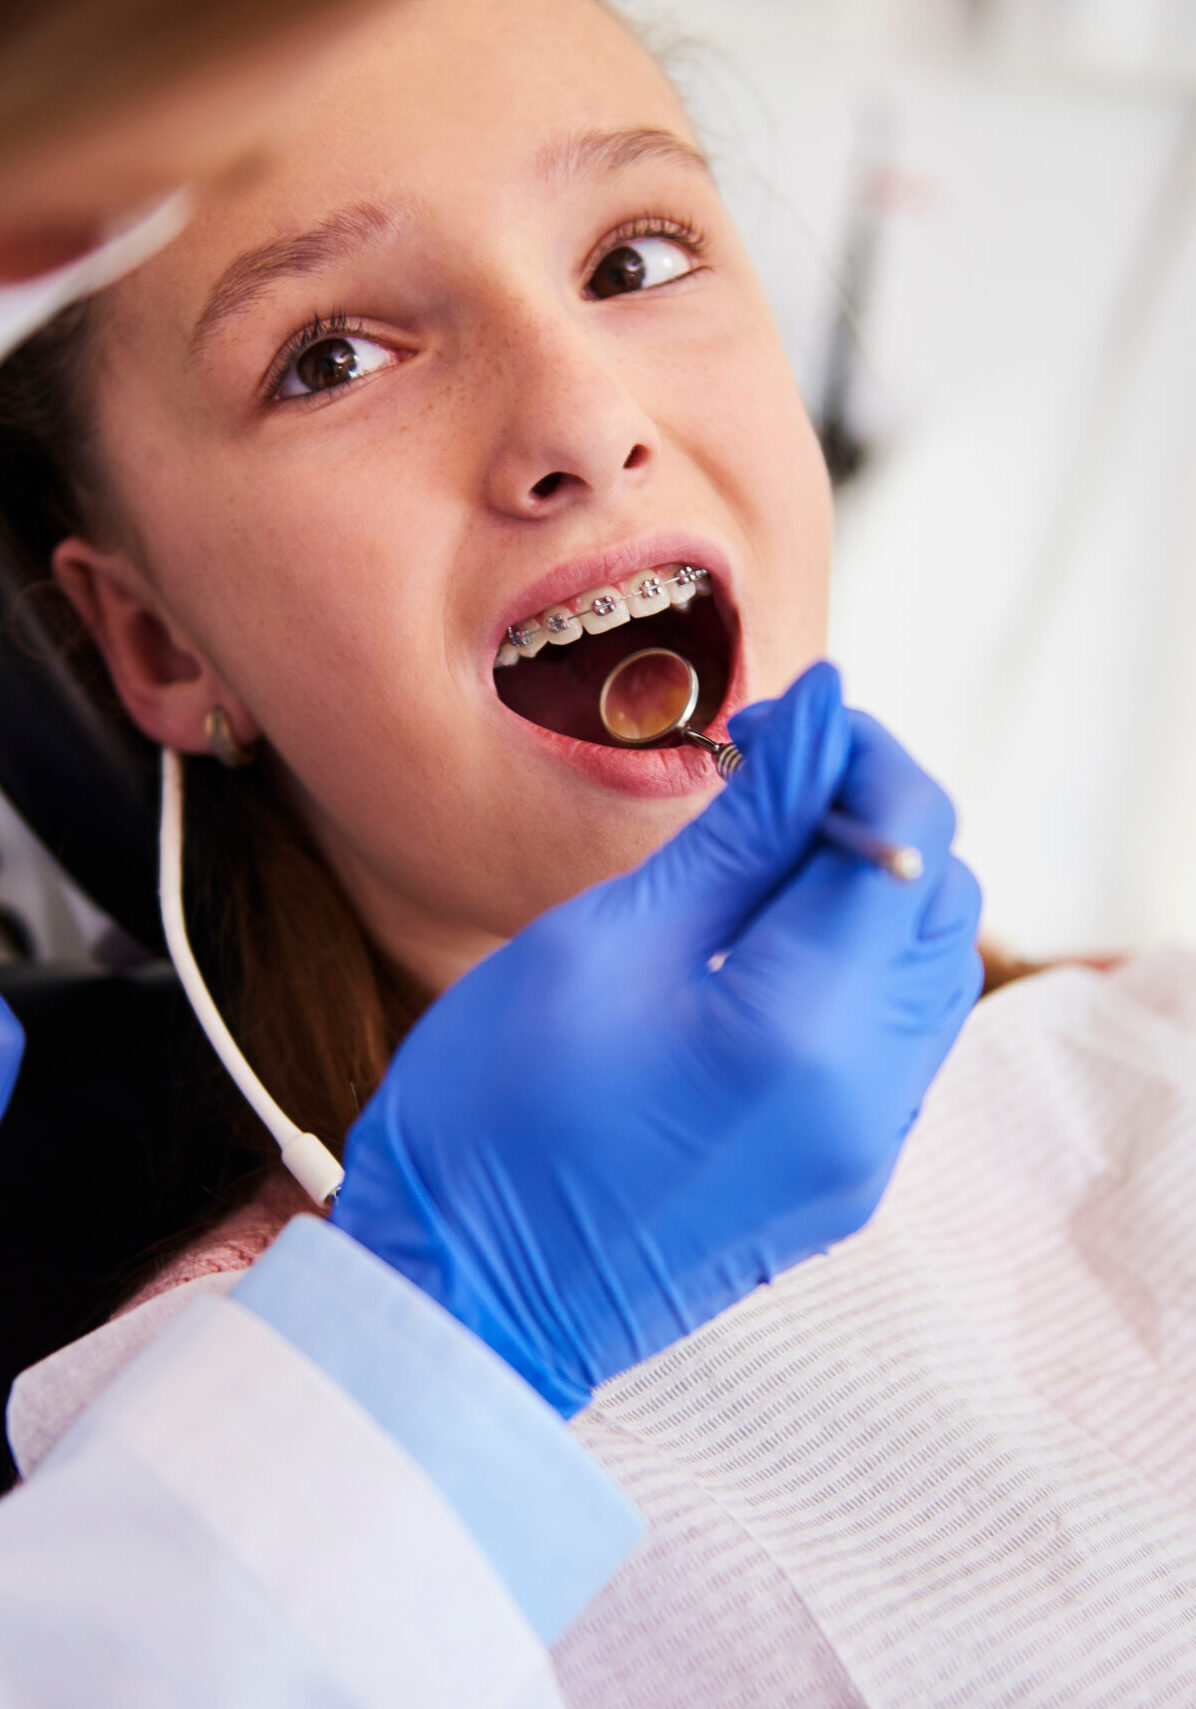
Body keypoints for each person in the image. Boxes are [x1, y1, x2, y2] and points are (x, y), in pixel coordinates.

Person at [7, 0, 1196, 1702]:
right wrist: (467, 1328)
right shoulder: (176, 1455)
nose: (583, 413)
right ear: (164, 649)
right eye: (332, 356)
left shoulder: (1155, 1052)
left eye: (637, 257)